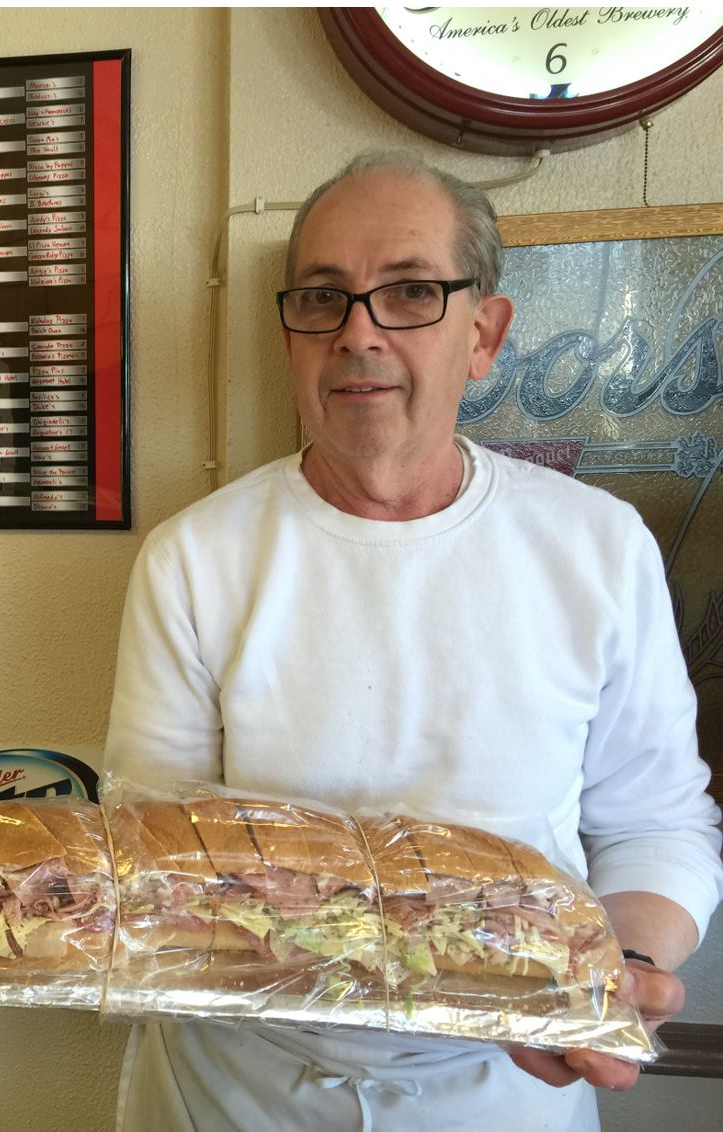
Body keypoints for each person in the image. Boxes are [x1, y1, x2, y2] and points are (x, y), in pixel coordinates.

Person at [98, 152, 723, 1129]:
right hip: (241, 1082)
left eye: (410, 292)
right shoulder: (196, 558)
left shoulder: (596, 547)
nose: (359, 332)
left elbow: (655, 822)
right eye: (324, 297)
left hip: (506, 1085)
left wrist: (620, 970)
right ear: (292, 335)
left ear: (484, 334)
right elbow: (156, 852)